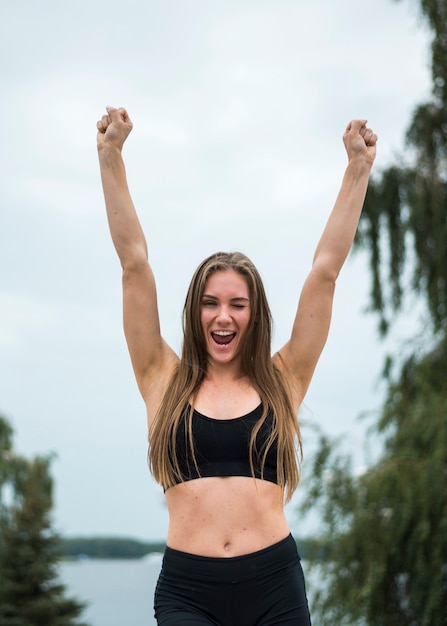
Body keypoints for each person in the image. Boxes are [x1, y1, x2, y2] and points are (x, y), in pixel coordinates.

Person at [96, 106, 377, 625]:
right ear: (195, 311)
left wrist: (357, 168)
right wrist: (110, 156)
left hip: (274, 585)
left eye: (237, 304)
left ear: (254, 314)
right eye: (210, 302)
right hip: (188, 590)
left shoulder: (284, 378)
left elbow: (325, 272)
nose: (222, 316)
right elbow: (133, 263)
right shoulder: (162, 377)